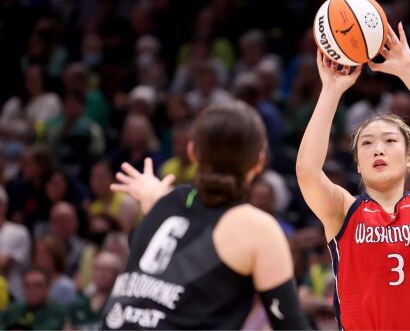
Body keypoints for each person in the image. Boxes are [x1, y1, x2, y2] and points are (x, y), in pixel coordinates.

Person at [296, 23, 410, 329]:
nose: (378, 150)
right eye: (367, 143)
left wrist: (409, 71)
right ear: (357, 163)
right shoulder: (343, 211)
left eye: (390, 141)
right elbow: (307, 172)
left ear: (409, 157)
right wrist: (331, 92)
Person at [102, 101, 309, 329]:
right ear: (259, 162)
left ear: (192, 153)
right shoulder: (256, 228)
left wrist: (150, 195)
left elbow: (163, 199)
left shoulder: (163, 204)